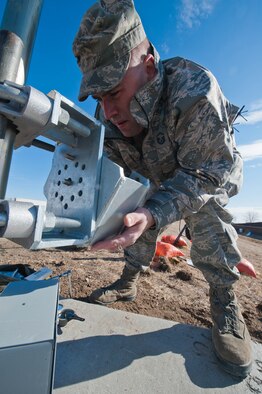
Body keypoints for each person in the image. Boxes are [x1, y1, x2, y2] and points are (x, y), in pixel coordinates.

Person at [73, 0, 252, 378]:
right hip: (156, 168)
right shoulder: (107, 115)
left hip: (208, 167)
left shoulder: (193, 88)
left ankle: (224, 301)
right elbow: (103, 174)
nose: (108, 111)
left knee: (203, 210)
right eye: (99, 98)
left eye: (115, 92)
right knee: (134, 205)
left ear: (149, 68)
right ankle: (129, 280)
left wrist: (157, 210)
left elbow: (205, 173)